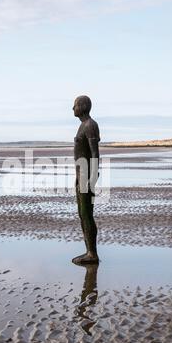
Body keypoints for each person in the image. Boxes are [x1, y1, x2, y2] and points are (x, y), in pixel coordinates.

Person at [72, 95, 100, 265]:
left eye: (75, 105)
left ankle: (92, 253)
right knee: (83, 214)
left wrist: (93, 177)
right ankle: (89, 251)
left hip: (86, 176)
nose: (72, 108)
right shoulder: (83, 125)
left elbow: (95, 154)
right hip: (80, 176)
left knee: (86, 214)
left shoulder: (90, 125)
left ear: (82, 107)